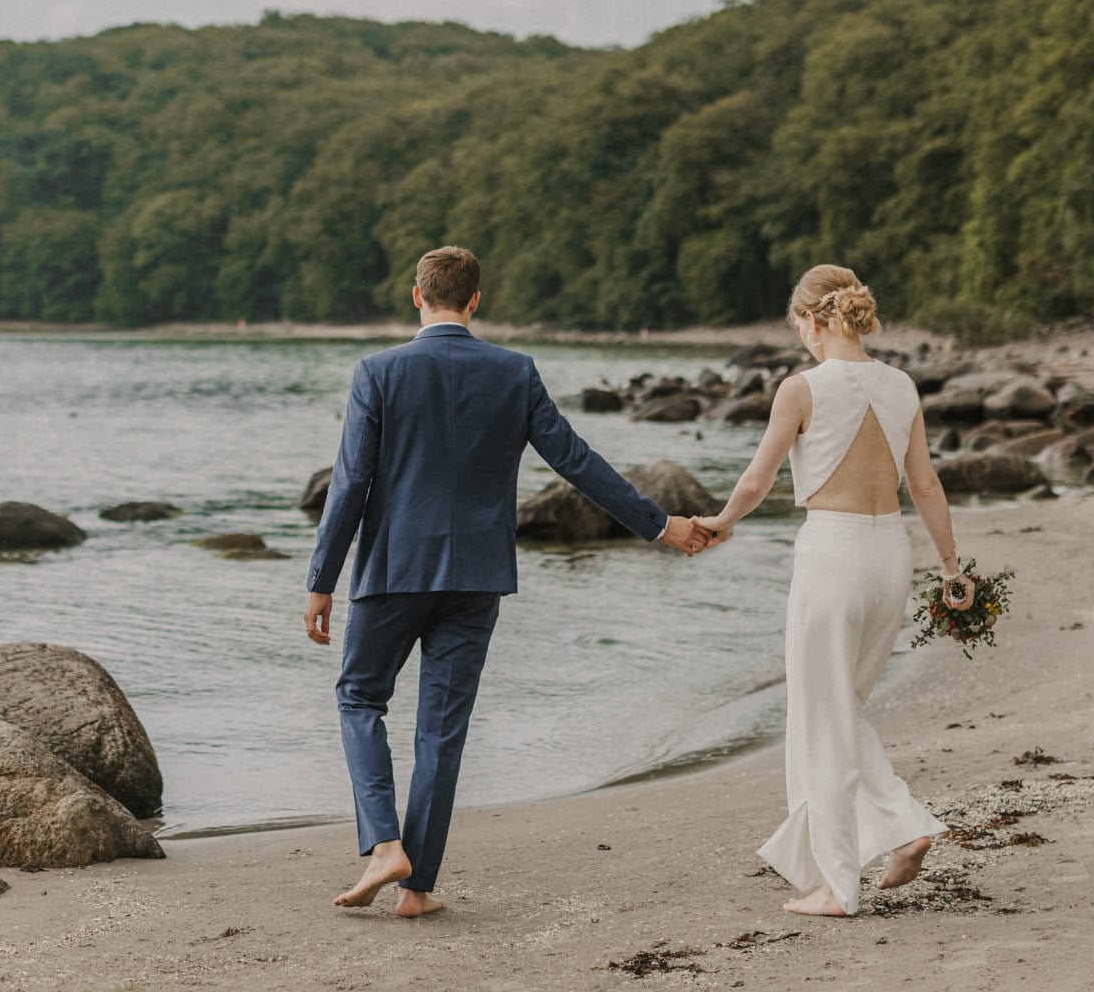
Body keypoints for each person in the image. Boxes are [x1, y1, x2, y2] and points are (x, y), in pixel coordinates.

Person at [302, 245, 712, 917]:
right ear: (474, 300)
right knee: (442, 729)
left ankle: (383, 842)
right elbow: (577, 462)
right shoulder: (513, 372)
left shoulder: (377, 372)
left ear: (416, 296)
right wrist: (658, 524)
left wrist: (322, 577)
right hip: (477, 577)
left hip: (393, 571)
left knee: (358, 697)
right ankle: (417, 886)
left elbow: (351, 483)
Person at [695, 264, 970, 916]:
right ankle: (898, 826)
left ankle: (842, 881)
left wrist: (721, 522)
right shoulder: (902, 385)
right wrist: (953, 567)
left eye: (798, 325)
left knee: (824, 717)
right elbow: (926, 484)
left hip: (833, 556)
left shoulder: (802, 388)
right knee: (840, 709)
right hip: (892, 556)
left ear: (812, 320)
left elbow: (759, 481)